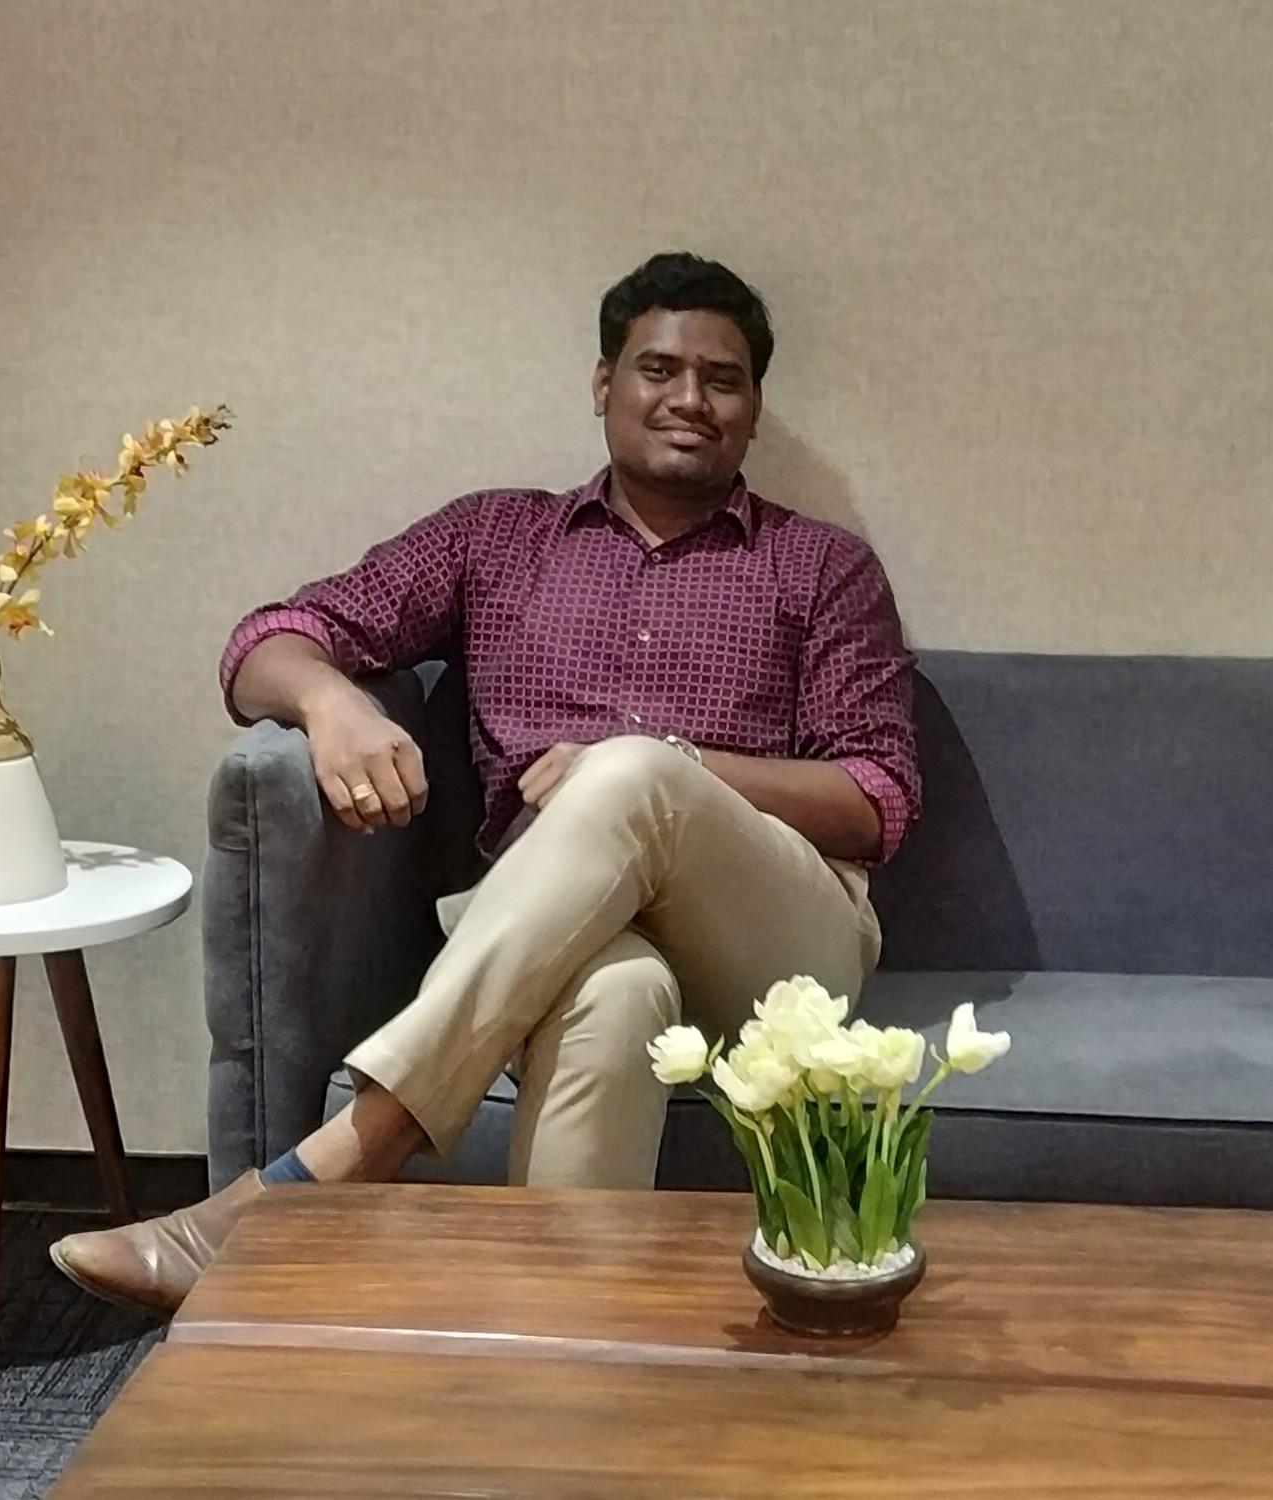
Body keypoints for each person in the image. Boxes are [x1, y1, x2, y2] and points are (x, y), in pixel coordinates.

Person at [50, 251, 920, 1316]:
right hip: (562, 931)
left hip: (778, 949)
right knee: (612, 997)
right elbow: (269, 639)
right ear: (603, 384)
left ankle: (338, 1162)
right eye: (659, 369)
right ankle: (559, 1363)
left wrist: (670, 764)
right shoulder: (495, 538)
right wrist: (331, 704)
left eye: (723, 379)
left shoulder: (821, 566)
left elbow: (876, 801)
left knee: (634, 769)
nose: (690, 398)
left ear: (752, 410)